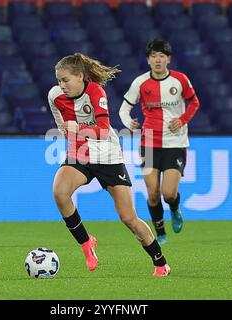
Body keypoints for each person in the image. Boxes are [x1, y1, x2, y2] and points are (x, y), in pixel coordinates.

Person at [48, 53, 171, 276]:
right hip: (81, 153)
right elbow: (64, 128)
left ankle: (160, 261)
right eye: (58, 80)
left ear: (81, 76)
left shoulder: (95, 91)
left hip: (108, 156)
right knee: (59, 192)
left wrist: (79, 129)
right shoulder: (54, 96)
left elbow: (104, 131)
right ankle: (86, 243)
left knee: (128, 218)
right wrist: (72, 136)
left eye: (65, 80)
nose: (61, 85)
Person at [119, 38, 200, 245]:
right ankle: (160, 232)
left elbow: (194, 102)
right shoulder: (140, 82)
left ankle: (174, 208)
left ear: (168, 59)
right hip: (149, 144)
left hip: (175, 143)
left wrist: (182, 120)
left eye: (161, 56)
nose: (157, 60)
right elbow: (124, 109)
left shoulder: (180, 80)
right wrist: (129, 123)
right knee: (153, 193)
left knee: (168, 193)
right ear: (148, 60)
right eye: (153, 56)